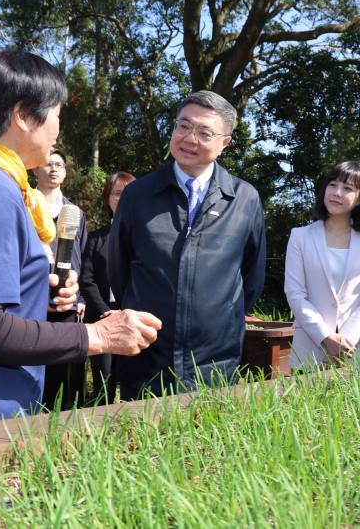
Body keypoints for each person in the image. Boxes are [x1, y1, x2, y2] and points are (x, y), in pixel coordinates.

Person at [0, 50, 160, 428]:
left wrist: (40, 296)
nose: (58, 129)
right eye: (57, 114)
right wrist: (96, 335)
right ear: (23, 116)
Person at [108, 90, 266, 399]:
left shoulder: (244, 198)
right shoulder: (138, 195)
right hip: (146, 356)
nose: (189, 138)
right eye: (183, 126)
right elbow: (119, 269)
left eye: (204, 132)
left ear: (225, 143)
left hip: (215, 363)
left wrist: (218, 317)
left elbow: (251, 277)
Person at [284, 162, 360, 370]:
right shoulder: (299, 237)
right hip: (309, 350)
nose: (337, 193)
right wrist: (325, 337)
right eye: (333, 185)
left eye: (348, 188)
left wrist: (345, 344)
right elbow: (295, 293)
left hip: (358, 352)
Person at [32, 150, 89, 410]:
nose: (54, 169)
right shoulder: (23, 205)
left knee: (64, 373)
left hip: (68, 301)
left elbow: (84, 258)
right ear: (35, 169)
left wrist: (81, 297)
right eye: (48, 163)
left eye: (59, 165)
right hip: (33, 299)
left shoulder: (74, 213)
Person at [80, 172, 136, 404]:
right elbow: (87, 278)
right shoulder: (95, 238)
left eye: (127, 193)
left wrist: (126, 310)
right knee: (103, 379)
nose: (121, 198)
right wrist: (105, 310)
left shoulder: (145, 238)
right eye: (116, 193)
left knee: (133, 379)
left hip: (133, 316)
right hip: (101, 316)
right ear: (107, 198)